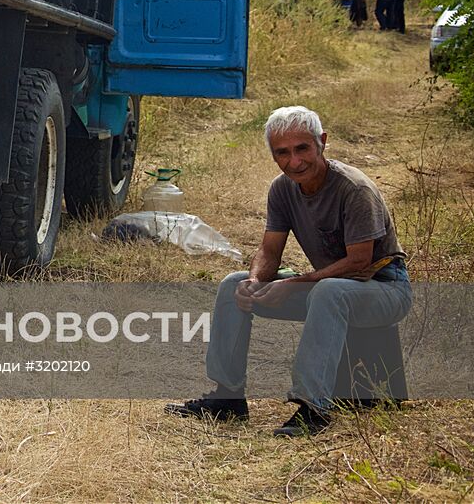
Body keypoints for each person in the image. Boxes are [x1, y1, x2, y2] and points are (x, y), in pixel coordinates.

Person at [165, 106, 411, 437]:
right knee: (232, 285)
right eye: (283, 152)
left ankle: (314, 407)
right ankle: (227, 398)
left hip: (384, 288)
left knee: (329, 291)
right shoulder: (282, 189)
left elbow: (359, 262)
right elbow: (269, 250)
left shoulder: (354, 189)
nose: (294, 162)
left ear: (322, 142)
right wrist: (254, 281)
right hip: (333, 288)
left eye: (302, 149)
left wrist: (293, 283)